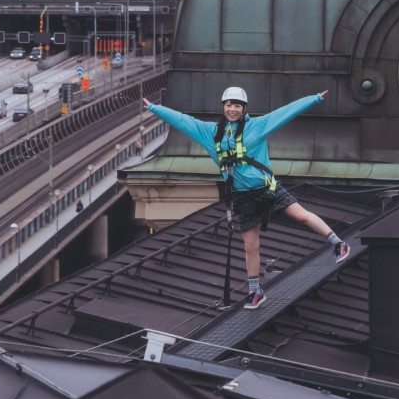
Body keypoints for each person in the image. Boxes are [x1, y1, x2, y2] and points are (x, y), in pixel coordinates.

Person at [143, 87, 349, 310]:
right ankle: (255, 291)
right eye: (229, 105)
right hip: (242, 196)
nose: (232, 109)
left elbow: (284, 113)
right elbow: (183, 121)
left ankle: (338, 243)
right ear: (223, 107)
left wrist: (314, 99)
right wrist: (155, 108)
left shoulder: (256, 126)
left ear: (243, 109)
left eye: (237, 106)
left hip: (266, 188)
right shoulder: (210, 133)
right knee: (251, 245)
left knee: (300, 215)